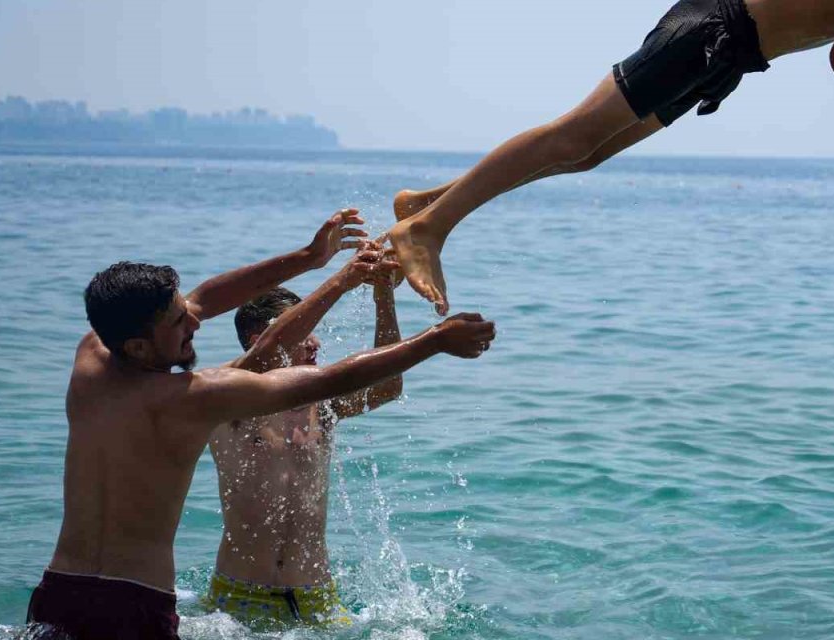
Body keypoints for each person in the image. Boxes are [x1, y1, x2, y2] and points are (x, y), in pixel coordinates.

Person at [25, 210, 496, 639]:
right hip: (137, 606)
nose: (195, 323)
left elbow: (208, 298)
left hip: (59, 594)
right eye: (178, 323)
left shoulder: (92, 359)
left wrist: (310, 257)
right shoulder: (198, 399)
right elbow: (319, 369)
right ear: (139, 348)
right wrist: (433, 338)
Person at [387, 0, 834, 316]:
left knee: (588, 155)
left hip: (728, 57)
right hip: (711, 31)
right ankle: (428, 229)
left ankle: (428, 202)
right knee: (572, 137)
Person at [202, 242, 405, 629]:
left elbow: (389, 383)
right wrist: (340, 280)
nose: (316, 343)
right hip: (241, 595)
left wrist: (384, 295)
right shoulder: (229, 402)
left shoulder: (323, 405)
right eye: (305, 331)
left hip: (317, 595)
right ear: (263, 338)